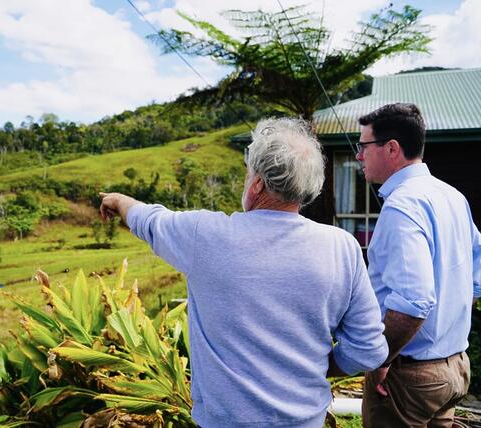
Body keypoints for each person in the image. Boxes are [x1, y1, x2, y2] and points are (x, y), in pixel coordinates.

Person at [100, 117, 388, 428]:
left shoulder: (203, 234)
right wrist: (320, 366)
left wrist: (117, 200)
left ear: (258, 183)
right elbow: (369, 350)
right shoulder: (341, 247)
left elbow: (148, 220)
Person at [356, 103, 481, 427]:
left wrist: (382, 358)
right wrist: (447, 326)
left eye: (363, 146)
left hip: (409, 378)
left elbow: (413, 302)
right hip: (455, 369)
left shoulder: (401, 206)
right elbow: (476, 278)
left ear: (392, 148)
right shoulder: (452, 196)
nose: (358, 156)